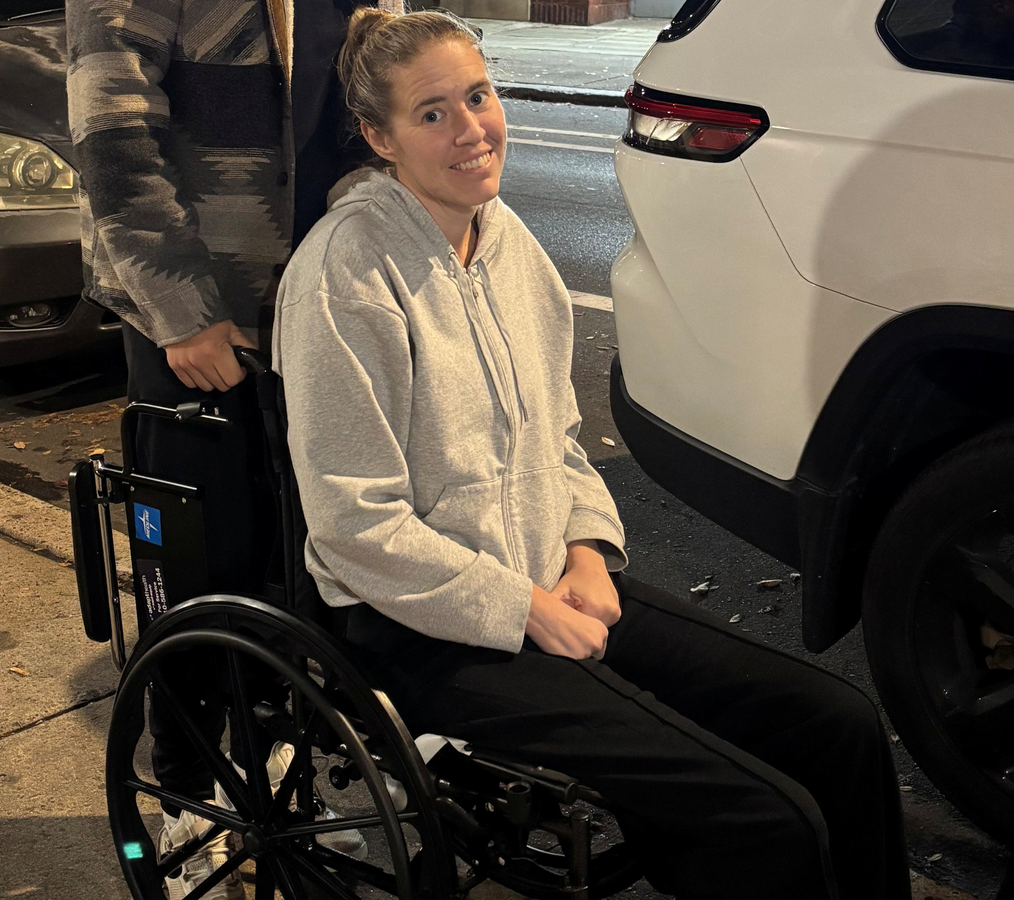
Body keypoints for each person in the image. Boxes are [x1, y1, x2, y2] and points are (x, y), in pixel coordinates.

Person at [272, 9, 912, 899]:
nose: (471, 130)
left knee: (838, 723)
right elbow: (355, 526)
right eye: (432, 114)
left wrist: (584, 552)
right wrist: (525, 608)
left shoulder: (511, 246)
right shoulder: (346, 276)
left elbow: (559, 442)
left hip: (551, 577)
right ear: (380, 139)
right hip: (423, 626)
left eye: (479, 97)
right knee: (761, 817)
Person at [64, 0, 384, 895]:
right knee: (196, 570)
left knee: (299, 560)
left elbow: (370, 111)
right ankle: (186, 796)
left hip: (318, 308)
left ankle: (271, 778)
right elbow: (113, 140)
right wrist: (181, 311)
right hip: (198, 321)